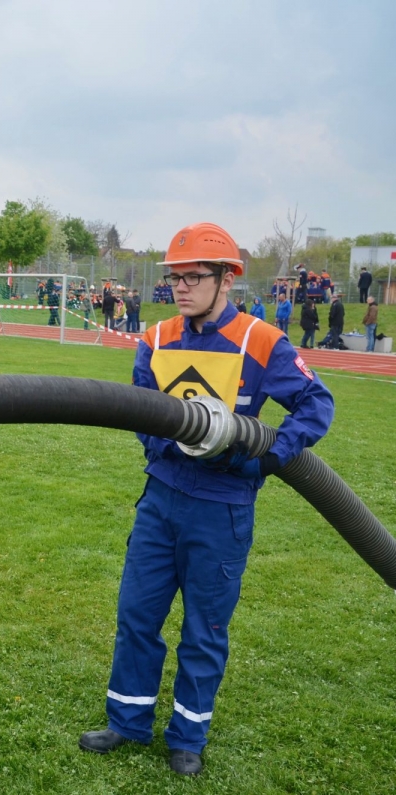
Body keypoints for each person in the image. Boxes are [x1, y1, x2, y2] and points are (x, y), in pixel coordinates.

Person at [79, 222, 333, 777]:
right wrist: (165, 441)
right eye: (175, 277)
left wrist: (263, 457)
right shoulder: (157, 337)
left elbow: (317, 405)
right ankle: (127, 721)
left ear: (226, 278)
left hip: (223, 507)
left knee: (205, 628)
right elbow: (138, 407)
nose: (181, 287)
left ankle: (187, 736)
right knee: (137, 614)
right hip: (162, 498)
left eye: (194, 276)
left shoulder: (260, 340)